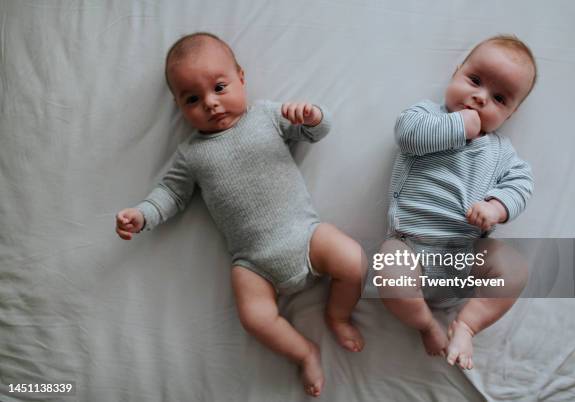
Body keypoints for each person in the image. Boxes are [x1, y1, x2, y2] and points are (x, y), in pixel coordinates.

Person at [115, 32, 365, 397]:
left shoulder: (265, 116)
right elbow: (169, 193)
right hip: (253, 263)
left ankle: (338, 315)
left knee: (354, 261)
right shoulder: (191, 154)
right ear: (178, 105)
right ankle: (304, 352)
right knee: (255, 318)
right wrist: (141, 215)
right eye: (193, 99)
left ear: (241, 78)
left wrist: (311, 116)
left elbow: (315, 132)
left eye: (219, 87)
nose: (211, 104)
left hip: (305, 234)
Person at [380, 34, 536, 370]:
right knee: (388, 271)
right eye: (475, 81)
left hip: (467, 252)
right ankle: (425, 324)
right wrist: (458, 125)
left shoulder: (500, 152)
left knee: (515, 269)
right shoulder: (426, 116)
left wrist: (496, 206)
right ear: (456, 72)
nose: (480, 98)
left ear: (509, 114)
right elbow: (407, 135)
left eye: (498, 98)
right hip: (410, 248)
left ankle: (466, 324)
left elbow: (522, 184)